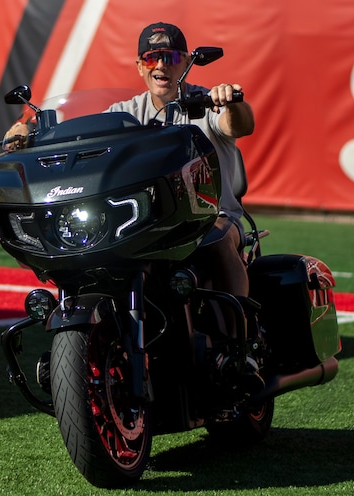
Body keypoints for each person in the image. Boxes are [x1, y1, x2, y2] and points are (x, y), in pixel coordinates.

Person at [108, 22, 260, 386]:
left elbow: (241, 125)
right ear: (140, 65)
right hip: (152, 227)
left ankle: (241, 345)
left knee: (219, 240)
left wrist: (233, 101)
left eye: (172, 57)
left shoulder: (207, 102)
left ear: (187, 62)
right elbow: (81, 135)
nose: (162, 65)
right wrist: (29, 129)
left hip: (211, 219)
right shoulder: (123, 112)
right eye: (152, 57)